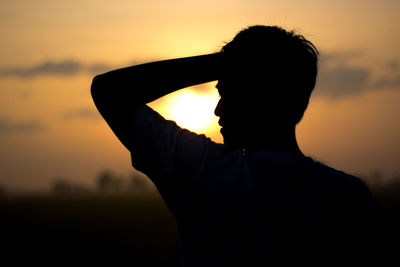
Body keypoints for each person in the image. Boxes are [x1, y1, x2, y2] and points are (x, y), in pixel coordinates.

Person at [91, 25, 380, 266]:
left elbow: (109, 91)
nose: (217, 110)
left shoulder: (202, 172)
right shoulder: (350, 197)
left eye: (227, 93)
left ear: (259, 99)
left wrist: (218, 63)